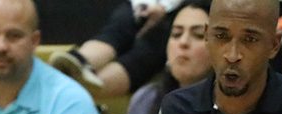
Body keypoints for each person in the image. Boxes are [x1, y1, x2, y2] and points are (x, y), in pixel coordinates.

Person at [123, 0, 212, 114]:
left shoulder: (230, 103)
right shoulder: (146, 99)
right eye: (176, 34)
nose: (183, 43)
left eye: (198, 35)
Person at [49, 0, 183, 98]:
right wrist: (144, 5)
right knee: (117, 30)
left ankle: (78, 86)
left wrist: (165, 6)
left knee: (147, 50)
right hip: (140, 5)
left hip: (180, 11)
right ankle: (77, 61)